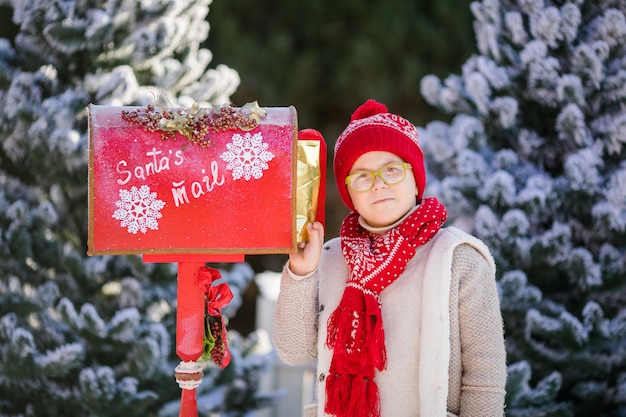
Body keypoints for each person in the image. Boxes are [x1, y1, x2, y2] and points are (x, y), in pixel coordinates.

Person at [274, 99, 506, 417]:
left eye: (393, 170)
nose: (379, 183)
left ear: (415, 179)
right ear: (349, 194)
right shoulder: (329, 257)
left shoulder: (459, 259)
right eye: (362, 176)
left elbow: (485, 375)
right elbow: (294, 350)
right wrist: (302, 272)